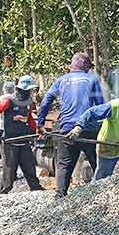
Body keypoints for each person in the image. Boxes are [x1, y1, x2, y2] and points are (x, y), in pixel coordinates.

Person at [37, 52, 106, 198]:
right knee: (97, 161)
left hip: (66, 129)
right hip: (88, 129)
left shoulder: (61, 80)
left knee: (63, 164)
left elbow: (46, 101)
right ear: (86, 66)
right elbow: (100, 106)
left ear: (71, 66)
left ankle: (60, 195)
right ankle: (104, 193)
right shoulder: (92, 80)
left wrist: (40, 123)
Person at [0, 75, 44, 194]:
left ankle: (35, 187)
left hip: (24, 138)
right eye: (27, 90)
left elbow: (29, 118)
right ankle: (4, 191)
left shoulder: (28, 102)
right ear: (20, 89)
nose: (29, 92)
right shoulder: (8, 101)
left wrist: (36, 131)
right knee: (9, 167)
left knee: (29, 165)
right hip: (9, 140)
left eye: (30, 90)